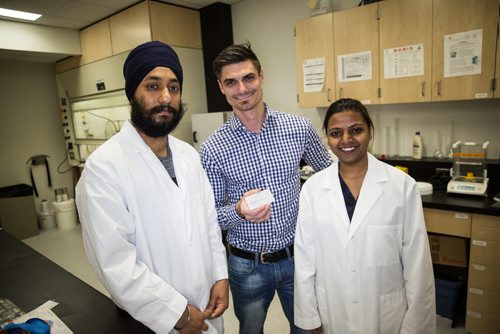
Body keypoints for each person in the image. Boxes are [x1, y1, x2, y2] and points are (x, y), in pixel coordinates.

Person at [75, 41, 229, 333]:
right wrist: (180, 315)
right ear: (132, 93)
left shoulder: (189, 156)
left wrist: (220, 276)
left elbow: (209, 225)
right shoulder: (104, 167)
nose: (165, 98)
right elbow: (116, 264)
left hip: (206, 303)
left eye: (173, 87)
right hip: (156, 319)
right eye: (153, 86)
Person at [199, 42, 332, 334]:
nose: (242, 88)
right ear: (222, 87)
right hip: (246, 266)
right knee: (250, 331)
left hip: (298, 258)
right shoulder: (212, 149)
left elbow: (330, 176)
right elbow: (209, 217)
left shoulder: (298, 129)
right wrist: (238, 211)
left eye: (248, 77)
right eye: (231, 82)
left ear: (261, 76)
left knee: (308, 329)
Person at [294, 98, 436, 333]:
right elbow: (305, 257)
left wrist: (417, 324)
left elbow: (417, 264)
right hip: (333, 308)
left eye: (356, 130)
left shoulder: (401, 186)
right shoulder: (313, 188)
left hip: (385, 313)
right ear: (327, 139)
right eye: (336, 133)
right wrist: (310, 316)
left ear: (370, 132)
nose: (346, 140)